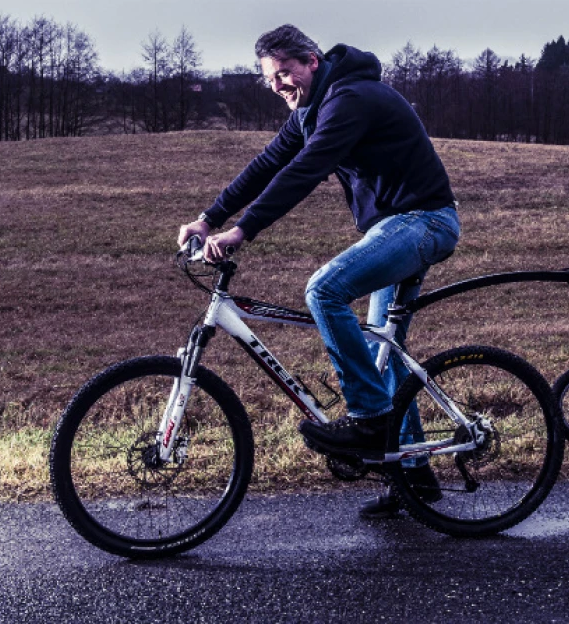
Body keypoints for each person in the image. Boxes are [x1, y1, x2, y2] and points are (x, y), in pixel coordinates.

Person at [176, 25, 459, 518]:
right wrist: (209, 217)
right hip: (394, 228)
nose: (278, 85)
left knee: (324, 291)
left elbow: (305, 169)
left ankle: (369, 419)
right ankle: (414, 477)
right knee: (381, 352)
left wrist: (242, 232)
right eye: (270, 79)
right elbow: (269, 162)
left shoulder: (349, 99)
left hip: (423, 221)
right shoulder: (312, 107)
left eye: (285, 73)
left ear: (311, 60)